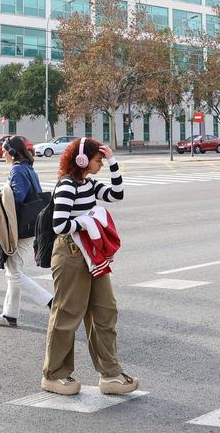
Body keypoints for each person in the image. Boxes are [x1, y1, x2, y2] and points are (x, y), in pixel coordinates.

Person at [42, 137, 137, 397]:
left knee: (105, 310)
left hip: (91, 253)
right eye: (98, 160)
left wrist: (114, 161)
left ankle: (110, 374)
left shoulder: (89, 183)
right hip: (71, 252)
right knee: (67, 314)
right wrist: (85, 222)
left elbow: (116, 195)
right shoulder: (67, 185)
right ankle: (54, 374)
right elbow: (59, 225)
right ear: (82, 160)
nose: (101, 165)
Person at [0, 135, 53, 327]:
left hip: (21, 228)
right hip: (31, 225)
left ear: (12, 152)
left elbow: (16, 198)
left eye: (4, 150)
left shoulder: (17, 170)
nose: (2, 153)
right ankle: (10, 315)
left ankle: (50, 301)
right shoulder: (28, 168)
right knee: (14, 270)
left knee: (14, 273)